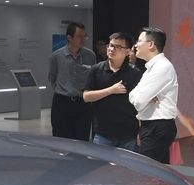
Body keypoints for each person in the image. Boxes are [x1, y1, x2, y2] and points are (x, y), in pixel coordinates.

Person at [100, 27, 178, 162]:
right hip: (152, 126)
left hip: (157, 127)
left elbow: (139, 101)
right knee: (155, 169)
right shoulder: (151, 68)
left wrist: (142, 97)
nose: (136, 45)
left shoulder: (162, 67)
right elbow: (133, 95)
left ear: (151, 44)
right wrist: (143, 96)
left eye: (139, 41)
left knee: (148, 169)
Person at [82, 33, 142, 147]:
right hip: (103, 133)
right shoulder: (96, 69)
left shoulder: (135, 73)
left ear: (127, 51)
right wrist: (110, 90)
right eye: (110, 45)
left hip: (129, 134)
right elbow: (86, 97)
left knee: (128, 159)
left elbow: (140, 104)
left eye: (118, 47)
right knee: (101, 159)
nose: (112, 49)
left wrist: (140, 130)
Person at [47, 23, 97, 141]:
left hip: (83, 103)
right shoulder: (56, 56)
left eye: (85, 36)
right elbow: (52, 78)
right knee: (60, 138)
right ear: (69, 37)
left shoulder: (90, 56)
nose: (83, 39)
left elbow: (93, 78)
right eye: (79, 36)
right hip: (62, 102)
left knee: (82, 138)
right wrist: (64, 89)